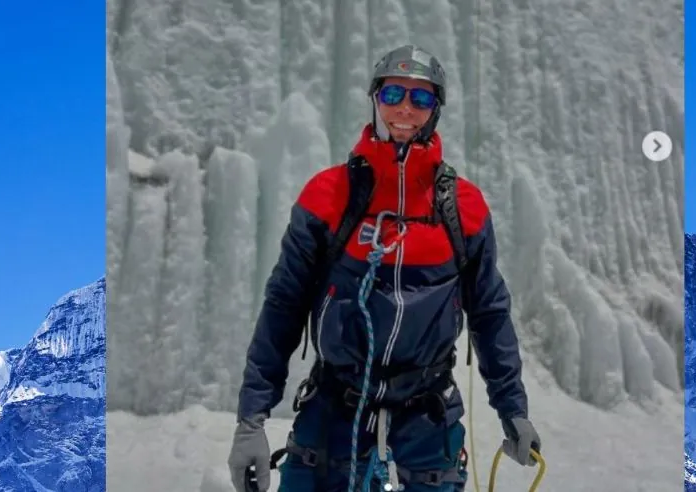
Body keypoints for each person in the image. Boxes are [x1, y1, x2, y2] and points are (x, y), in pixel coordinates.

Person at [227, 45, 541, 492]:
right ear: (375, 98)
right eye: (393, 93)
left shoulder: (464, 208)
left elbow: (489, 312)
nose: (405, 109)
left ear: (436, 110)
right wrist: (251, 419)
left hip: (427, 419)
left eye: (422, 98)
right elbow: (283, 307)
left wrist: (513, 409)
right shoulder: (326, 196)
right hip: (334, 409)